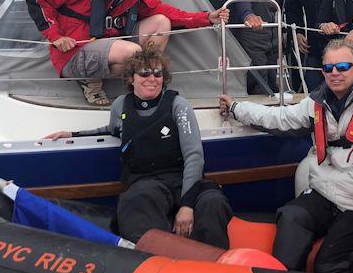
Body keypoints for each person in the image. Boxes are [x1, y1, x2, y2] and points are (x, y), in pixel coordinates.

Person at [219, 40, 353, 273]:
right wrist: (236, 108)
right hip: (324, 191)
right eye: (328, 68)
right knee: (291, 216)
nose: (334, 73)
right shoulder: (316, 102)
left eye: (342, 67)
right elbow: (278, 118)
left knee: (329, 265)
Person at [45, 46, 232, 248]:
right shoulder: (120, 106)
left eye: (157, 73)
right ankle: (157, 260)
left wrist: (187, 206)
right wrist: (73, 134)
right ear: (131, 78)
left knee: (213, 202)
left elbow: (194, 156)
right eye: (144, 73)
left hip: (182, 180)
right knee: (135, 201)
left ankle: (210, 259)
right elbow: (112, 129)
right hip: (147, 182)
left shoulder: (178, 105)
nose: (152, 78)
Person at [27, 0, 229, 106]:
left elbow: (165, 12)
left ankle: (143, 88)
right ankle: (90, 81)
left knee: (162, 23)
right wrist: (56, 37)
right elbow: (38, 0)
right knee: (134, 52)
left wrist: (206, 18)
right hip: (73, 52)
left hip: (110, 46)